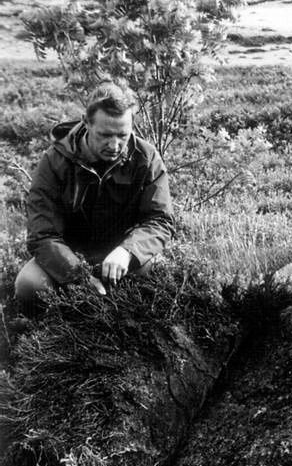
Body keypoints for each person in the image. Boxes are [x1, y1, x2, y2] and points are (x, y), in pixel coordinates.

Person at [15, 82, 174, 308]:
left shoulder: (146, 158)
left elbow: (160, 219)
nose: (115, 145)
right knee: (29, 285)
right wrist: (77, 276)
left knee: (159, 273)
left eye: (123, 135)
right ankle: (55, 332)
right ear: (86, 122)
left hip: (120, 252)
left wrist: (127, 252)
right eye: (105, 135)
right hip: (69, 253)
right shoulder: (54, 160)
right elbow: (42, 235)